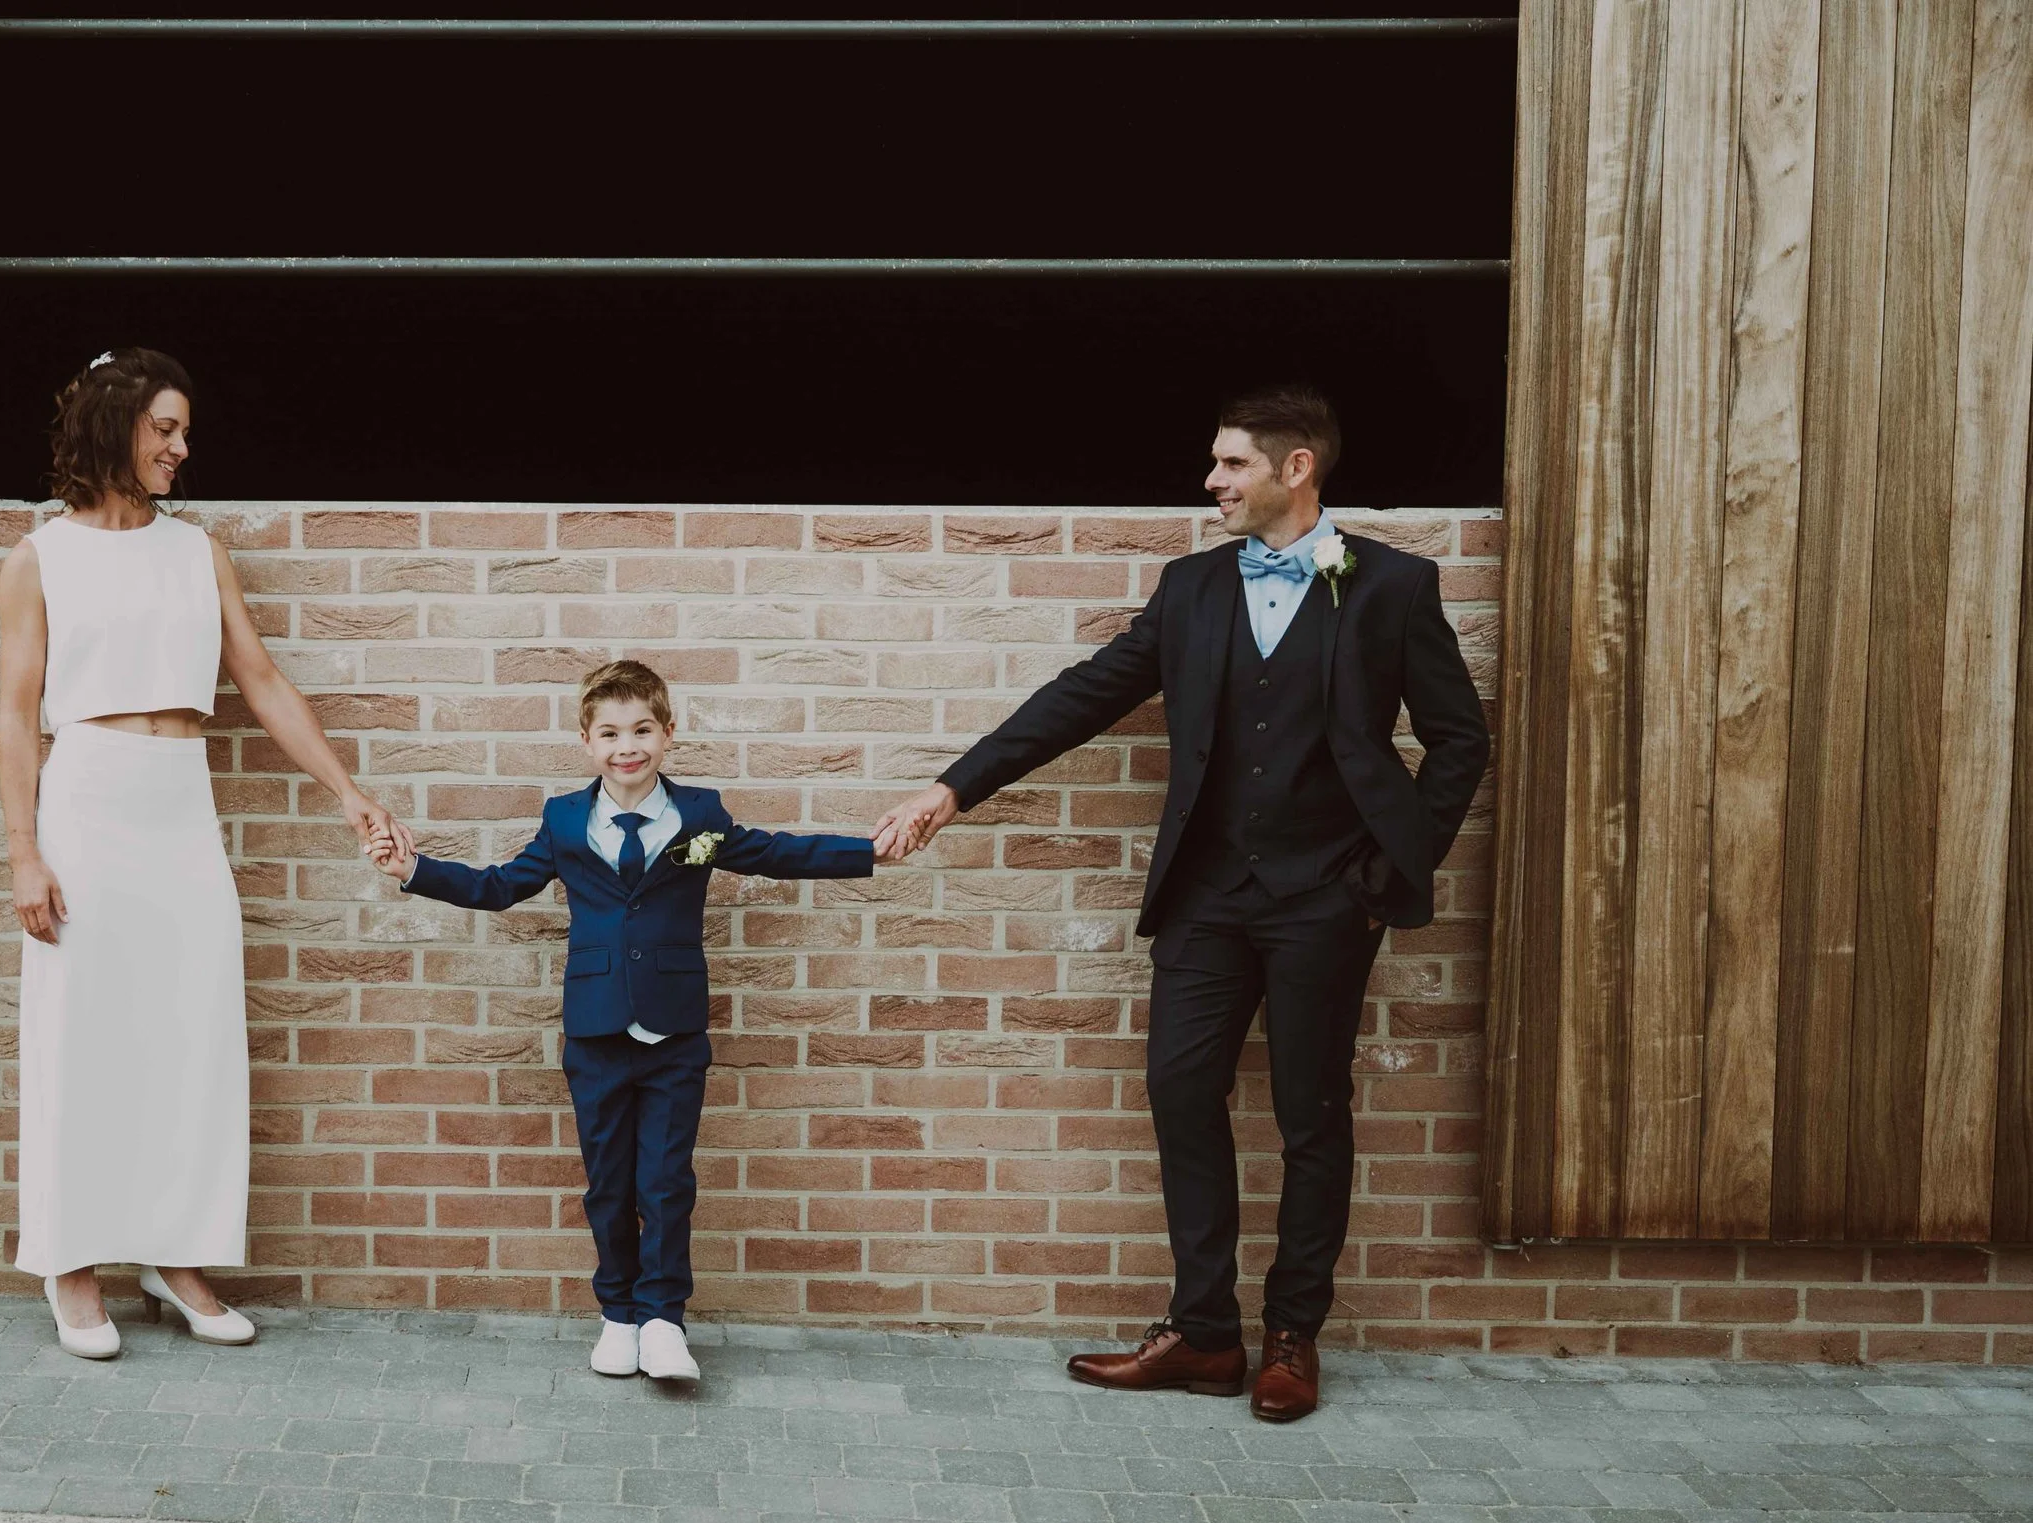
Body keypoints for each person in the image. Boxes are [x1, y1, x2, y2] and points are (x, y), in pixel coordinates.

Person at [874, 387, 1488, 1421]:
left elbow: (1458, 739)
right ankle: (1204, 1331)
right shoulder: (1192, 588)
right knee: (1178, 1087)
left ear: (1297, 468)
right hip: (1207, 896)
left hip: (1326, 899)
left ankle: (1292, 1332)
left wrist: (1388, 874)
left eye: (1232, 463)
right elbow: (1084, 693)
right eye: (1216, 463)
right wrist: (953, 787)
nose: (1212, 481)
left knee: (1310, 1113)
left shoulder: (1390, 585)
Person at [0, 348, 413, 1359]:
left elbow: (261, 681)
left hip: (181, 805)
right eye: (166, 428)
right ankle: (70, 1262)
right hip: (87, 801)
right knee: (80, 1037)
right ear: (115, 425)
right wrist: (22, 851)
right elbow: (13, 713)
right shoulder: (38, 558)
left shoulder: (198, 554)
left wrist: (348, 791)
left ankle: (175, 1255)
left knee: (192, 1036)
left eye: (183, 430)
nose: (182, 447)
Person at [368, 660, 887, 1382]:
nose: (627, 746)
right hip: (596, 1032)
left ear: (668, 733)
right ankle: (618, 1313)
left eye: (642, 730)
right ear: (586, 741)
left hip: (675, 1031)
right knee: (608, 1183)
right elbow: (500, 886)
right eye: (610, 733)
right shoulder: (563, 820)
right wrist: (414, 869)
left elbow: (774, 853)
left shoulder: (700, 816)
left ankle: (664, 1320)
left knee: (667, 1183)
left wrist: (868, 850)